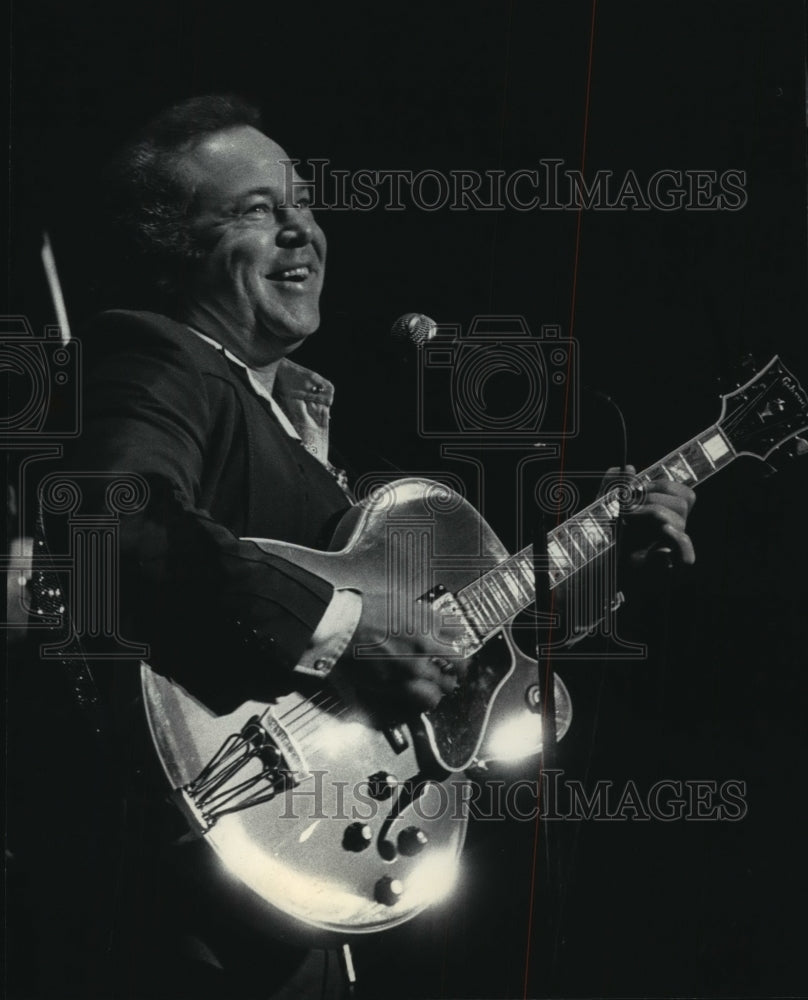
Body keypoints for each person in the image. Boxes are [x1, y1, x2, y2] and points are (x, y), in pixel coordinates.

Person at [22, 94, 696, 998]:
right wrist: (341, 637)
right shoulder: (159, 357)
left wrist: (609, 556)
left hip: (293, 888)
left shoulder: (297, 423)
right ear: (172, 245)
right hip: (181, 884)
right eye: (257, 210)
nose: (301, 229)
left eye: (302, 201)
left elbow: (464, 633)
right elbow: (107, 525)